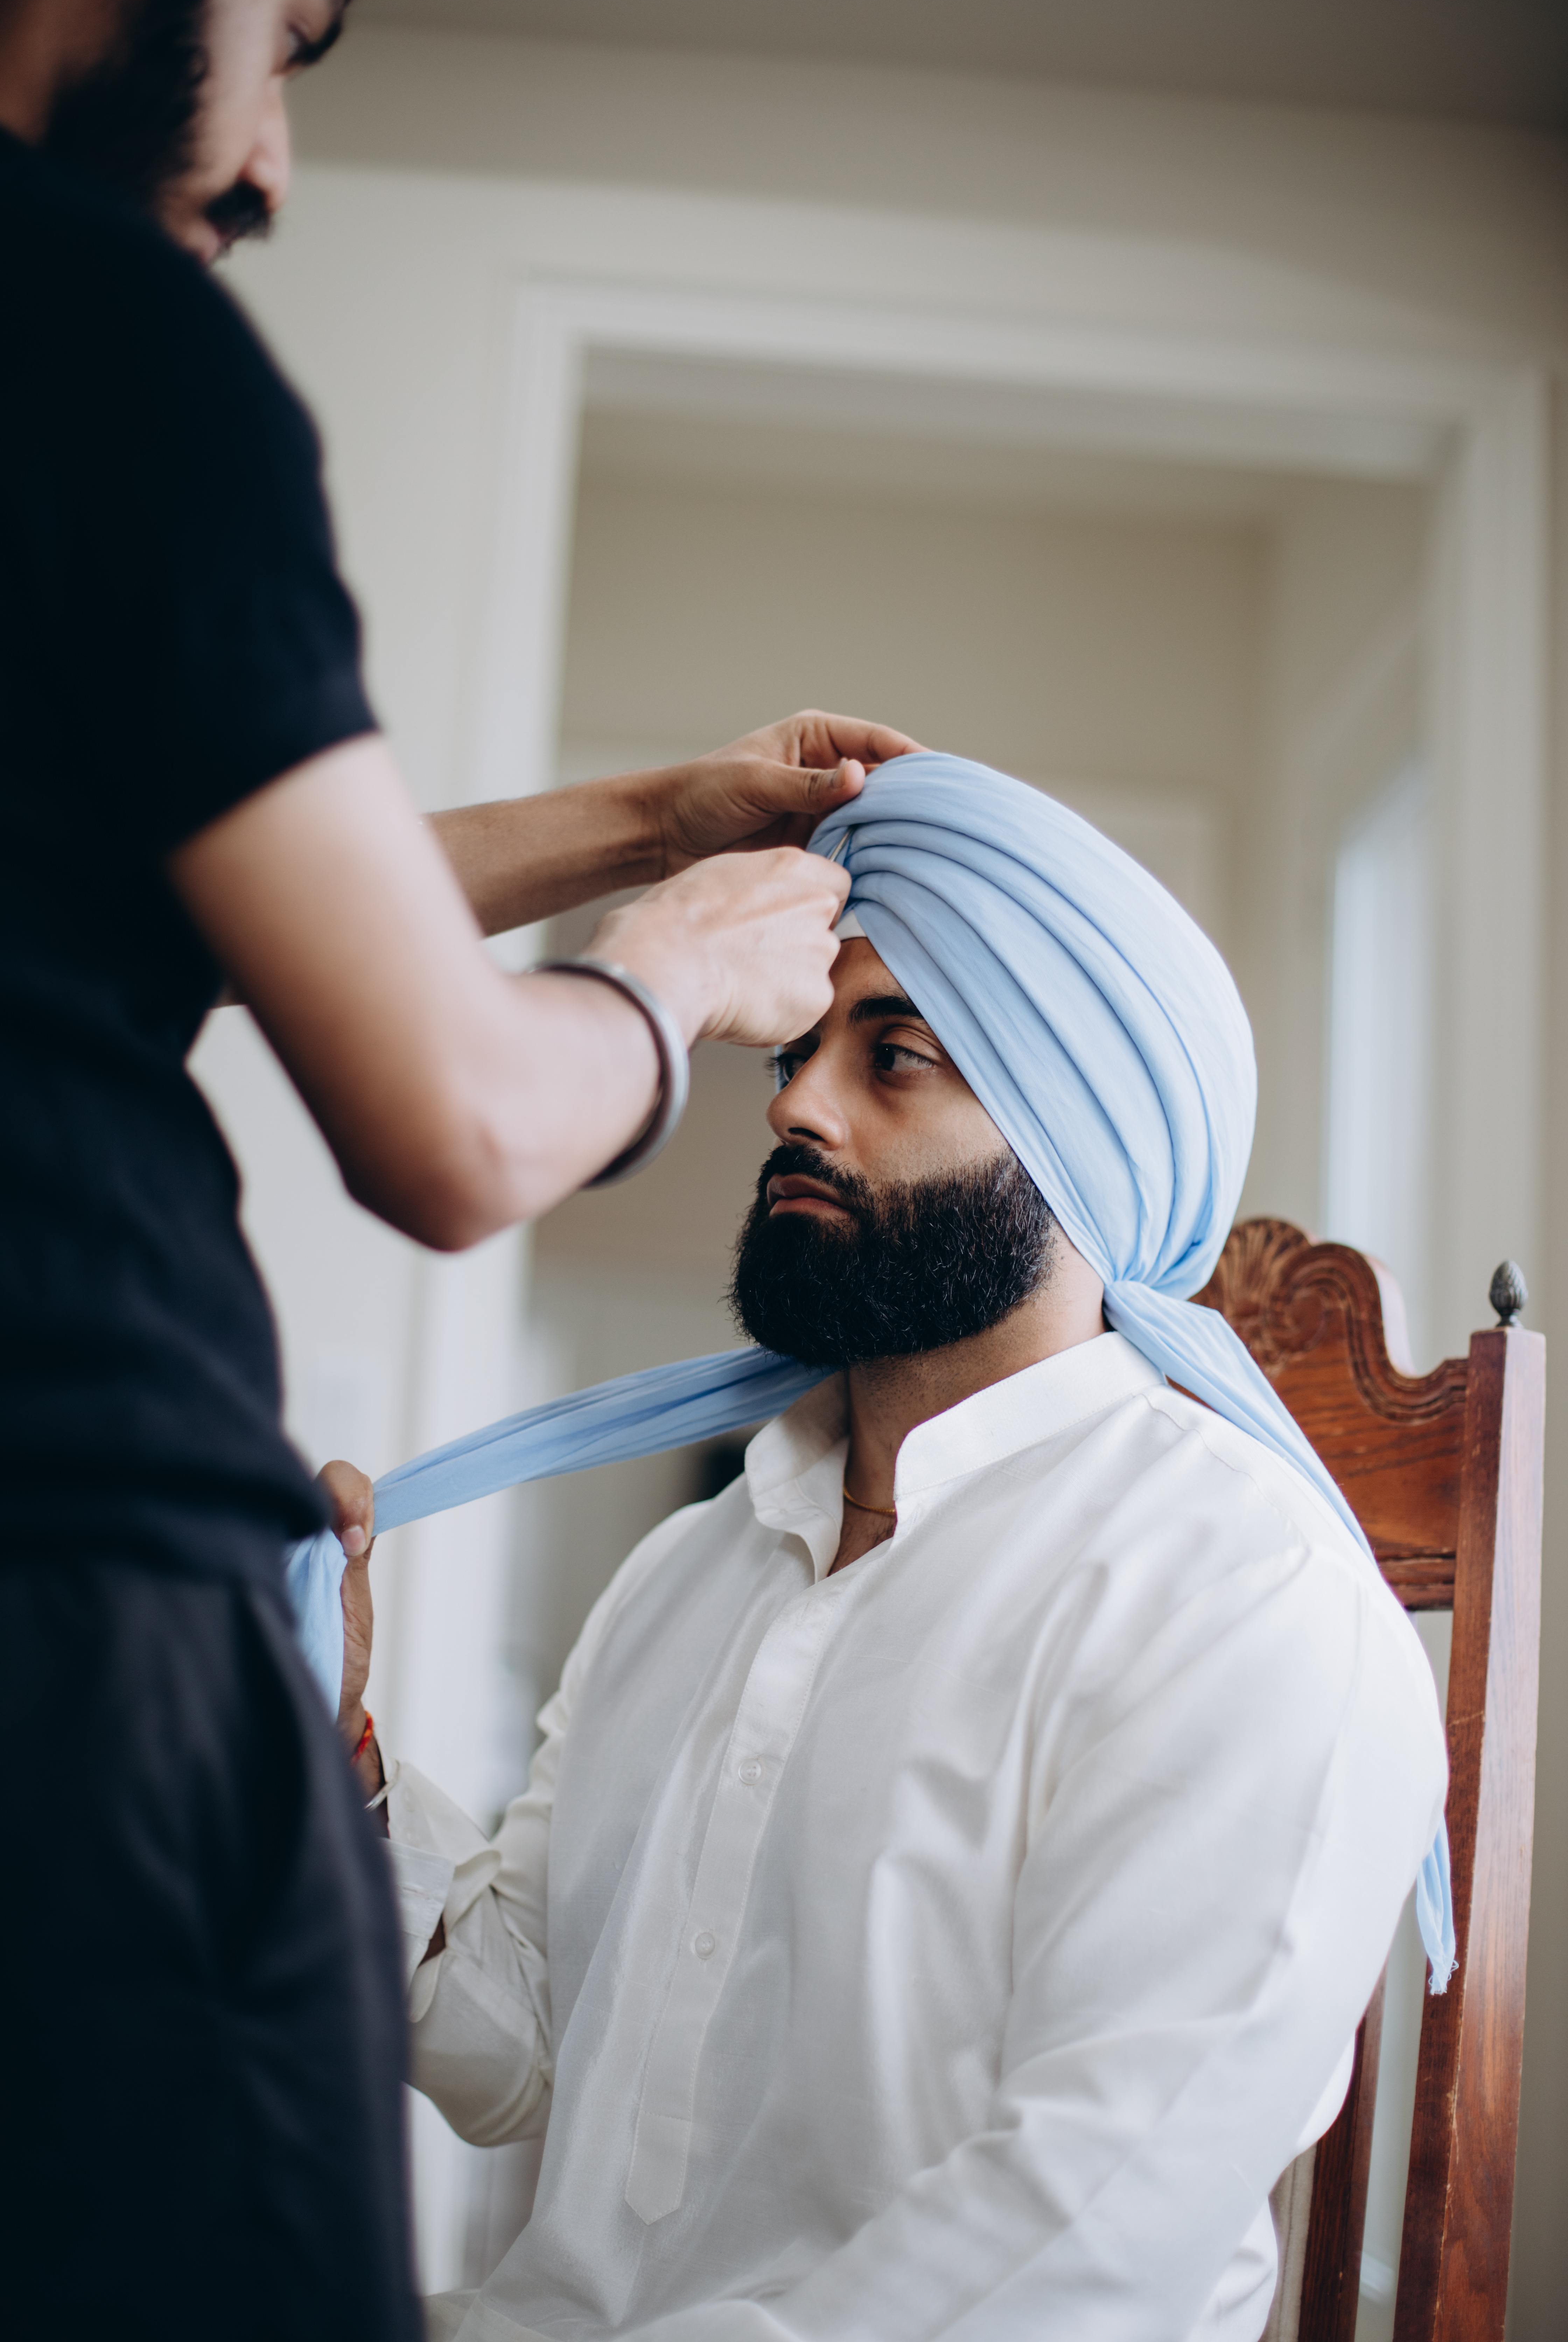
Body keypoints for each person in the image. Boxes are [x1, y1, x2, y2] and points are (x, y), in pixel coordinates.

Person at [0, 0, 915, 2336]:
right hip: (78, 1647)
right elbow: (455, 1124)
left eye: (899, 1054)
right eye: (285, 31)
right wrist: (665, 983)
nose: (270, 160)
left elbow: (171, 874)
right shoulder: (110, 338)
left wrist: (664, 814)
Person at [323, 757, 1449, 2342]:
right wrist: (341, 1759)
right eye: (798, 1050)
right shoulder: (689, 1569)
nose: (789, 1102)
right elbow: (536, 2061)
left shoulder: (1240, 1598)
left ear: (1080, 1138)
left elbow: (1080, 2241)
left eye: (894, 1055)